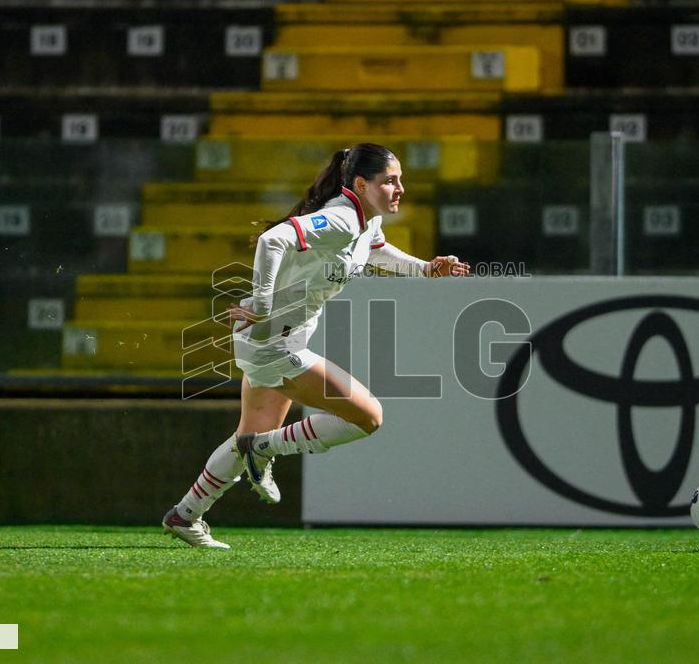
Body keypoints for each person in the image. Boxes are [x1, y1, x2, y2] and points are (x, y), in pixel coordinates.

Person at [162, 143, 471, 549]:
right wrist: (265, 299)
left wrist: (426, 269)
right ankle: (263, 450)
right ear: (361, 184)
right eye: (389, 181)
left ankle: (185, 515)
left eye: (400, 181)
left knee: (249, 434)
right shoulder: (341, 218)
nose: (400, 189)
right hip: (274, 343)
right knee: (368, 417)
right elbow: (273, 240)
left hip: (270, 339)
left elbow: (377, 250)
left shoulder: (366, 222)